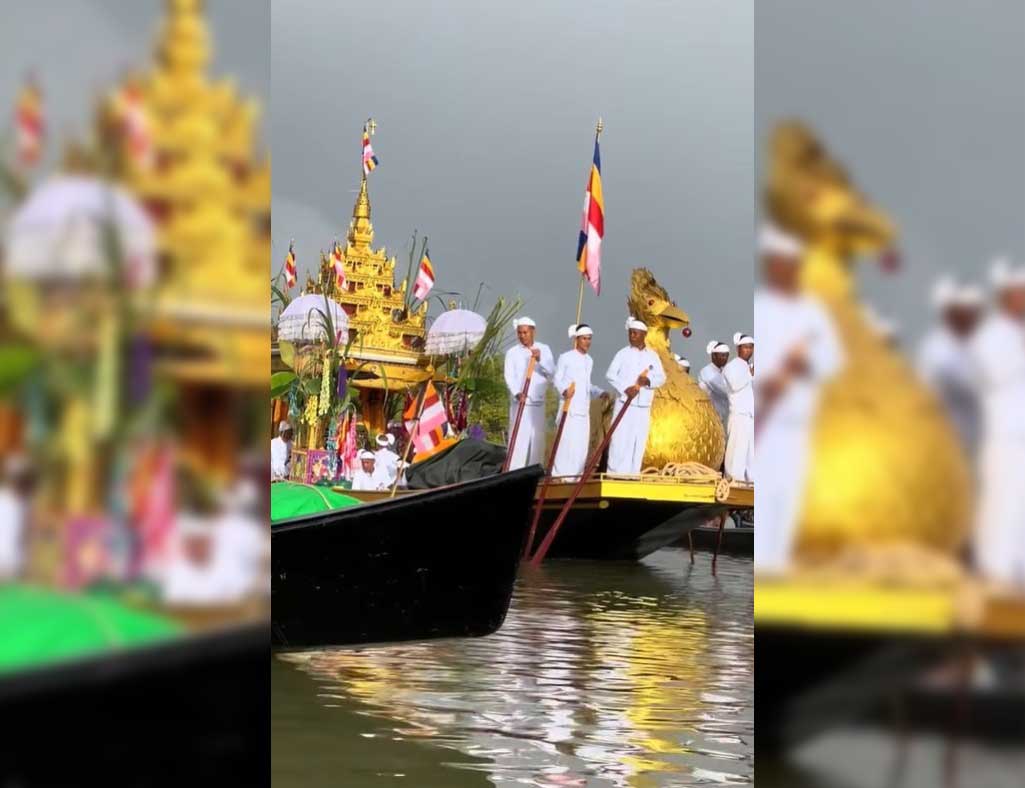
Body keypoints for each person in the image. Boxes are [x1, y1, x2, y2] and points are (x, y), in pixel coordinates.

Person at [752, 222, 843, 573]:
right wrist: (767, 382)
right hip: (766, 421)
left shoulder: (813, 312)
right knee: (765, 497)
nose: (784, 268)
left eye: (790, 262)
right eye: (778, 261)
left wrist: (804, 363)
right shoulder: (758, 307)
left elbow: (833, 362)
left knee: (789, 502)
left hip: (799, 424)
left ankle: (779, 573)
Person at [969, 258, 1025, 586]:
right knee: (1000, 510)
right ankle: (993, 577)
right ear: (1005, 296)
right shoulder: (990, 336)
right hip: (1005, 439)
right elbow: (994, 374)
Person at [917, 276, 985, 455]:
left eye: (974, 311)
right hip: (950, 445)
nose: (973, 316)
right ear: (949, 314)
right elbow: (974, 386)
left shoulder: (973, 342)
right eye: (967, 311)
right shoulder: (936, 350)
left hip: (975, 442)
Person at [605, 317, 667, 474]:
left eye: (635, 333)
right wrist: (625, 388)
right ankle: (616, 473)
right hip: (625, 403)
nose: (632, 336)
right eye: (630, 333)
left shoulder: (652, 356)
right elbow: (610, 375)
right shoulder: (622, 354)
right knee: (620, 439)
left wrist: (648, 380)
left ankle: (632, 474)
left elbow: (662, 377)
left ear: (643, 334)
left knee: (638, 441)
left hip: (643, 405)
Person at [551, 324, 608, 477]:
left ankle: (575, 477)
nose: (587, 342)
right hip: (569, 409)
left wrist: (600, 392)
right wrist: (564, 390)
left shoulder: (589, 360)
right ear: (577, 339)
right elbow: (556, 379)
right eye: (584, 339)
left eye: (589, 339)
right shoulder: (566, 357)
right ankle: (559, 477)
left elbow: (586, 384)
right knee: (566, 444)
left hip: (583, 410)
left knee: (581, 446)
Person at [504, 316, 555, 469]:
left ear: (533, 332)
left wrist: (540, 359)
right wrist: (517, 393)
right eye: (519, 333)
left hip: (537, 404)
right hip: (520, 403)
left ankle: (535, 474)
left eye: (525, 332)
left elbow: (552, 372)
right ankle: (513, 473)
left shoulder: (544, 349)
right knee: (518, 440)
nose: (522, 336)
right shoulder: (512, 353)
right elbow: (509, 376)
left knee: (537, 441)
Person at [724, 332, 755, 482]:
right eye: (745, 347)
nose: (748, 350)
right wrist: (750, 374)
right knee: (737, 450)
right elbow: (734, 385)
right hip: (738, 415)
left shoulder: (748, 367)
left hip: (750, 415)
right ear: (738, 349)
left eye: (751, 347)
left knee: (750, 451)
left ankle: (750, 480)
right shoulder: (731, 366)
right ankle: (734, 480)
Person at [0, 455, 30, 581]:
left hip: (16, 563)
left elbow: (26, 533)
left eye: (21, 478)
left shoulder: (27, 503)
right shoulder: (2, 498)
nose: (18, 481)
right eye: (15, 477)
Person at [698, 341, 731, 430]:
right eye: (723, 355)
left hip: (719, 418)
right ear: (714, 356)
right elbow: (724, 389)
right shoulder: (707, 371)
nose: (725, 358)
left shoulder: (723, 371)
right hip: (708, 418)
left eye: (727, 356)